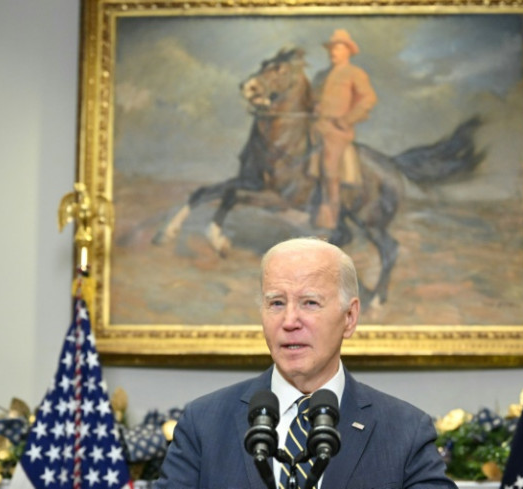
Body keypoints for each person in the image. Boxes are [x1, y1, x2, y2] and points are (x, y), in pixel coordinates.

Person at [154, 237, 456, 489]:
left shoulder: (404, 430)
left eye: (310, 303)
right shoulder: (203, 423)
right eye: (276, 303)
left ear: (349, 318)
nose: (289, 321)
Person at [309, 29, 378, 230]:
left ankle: (331, 215)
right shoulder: (320, 76)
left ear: (348, 51)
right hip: (315, 126)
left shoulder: (355, 74)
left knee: (329, 165)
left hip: (337, 130)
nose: (333, 52)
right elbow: (312, 99)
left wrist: (347, 119)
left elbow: (368, 99)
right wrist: (314, 107)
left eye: (338, 48)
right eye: (331, 48)